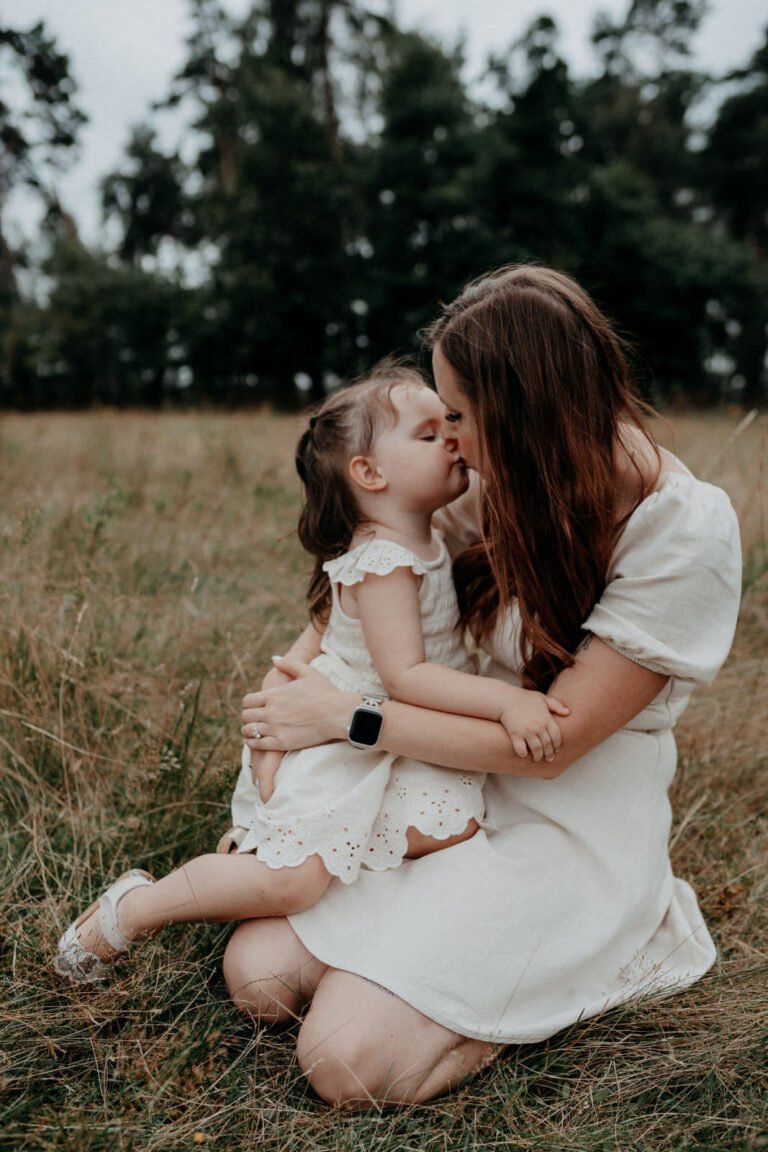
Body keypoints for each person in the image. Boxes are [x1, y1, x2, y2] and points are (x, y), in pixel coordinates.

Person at [227, 264, 742, 1109]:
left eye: (458, 416)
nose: (449, 440)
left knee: (346, 1062)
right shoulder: (497, 482)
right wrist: (278, 735)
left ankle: (578, 966)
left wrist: (352, 719)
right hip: (441, 783)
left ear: (524, 412)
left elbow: (550, 749)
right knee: (259, 978)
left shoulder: (684, 530)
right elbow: (367, 579)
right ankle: (430, 965)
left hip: (568, 814)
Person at [55, 363, 567, 985]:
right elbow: (406, 678)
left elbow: (320, 634)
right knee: (293, 880)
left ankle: (258, 866)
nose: (453, 440)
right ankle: (136, 909)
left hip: (379, 733)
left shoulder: (422, 538)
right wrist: (504, 702)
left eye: (449, 426)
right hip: (340, 739)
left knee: (451, 821)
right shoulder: (383, 561)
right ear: (370, 474)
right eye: (429, 435)